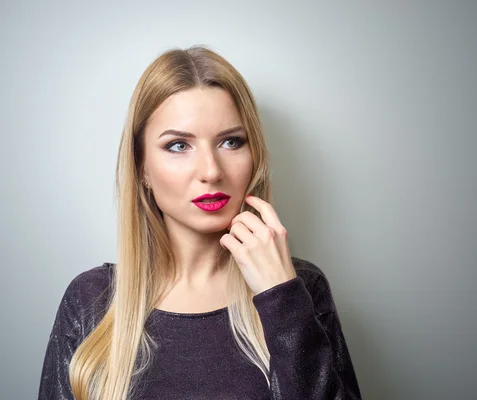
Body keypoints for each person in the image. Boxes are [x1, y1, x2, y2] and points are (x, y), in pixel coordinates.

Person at [38, 45, 362, 399]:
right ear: (142, 167)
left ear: (254, 156)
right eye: (178, 145)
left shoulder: (300, 289)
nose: (211, 171)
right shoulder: (91, 300)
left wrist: (281, 298)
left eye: (231, 141)